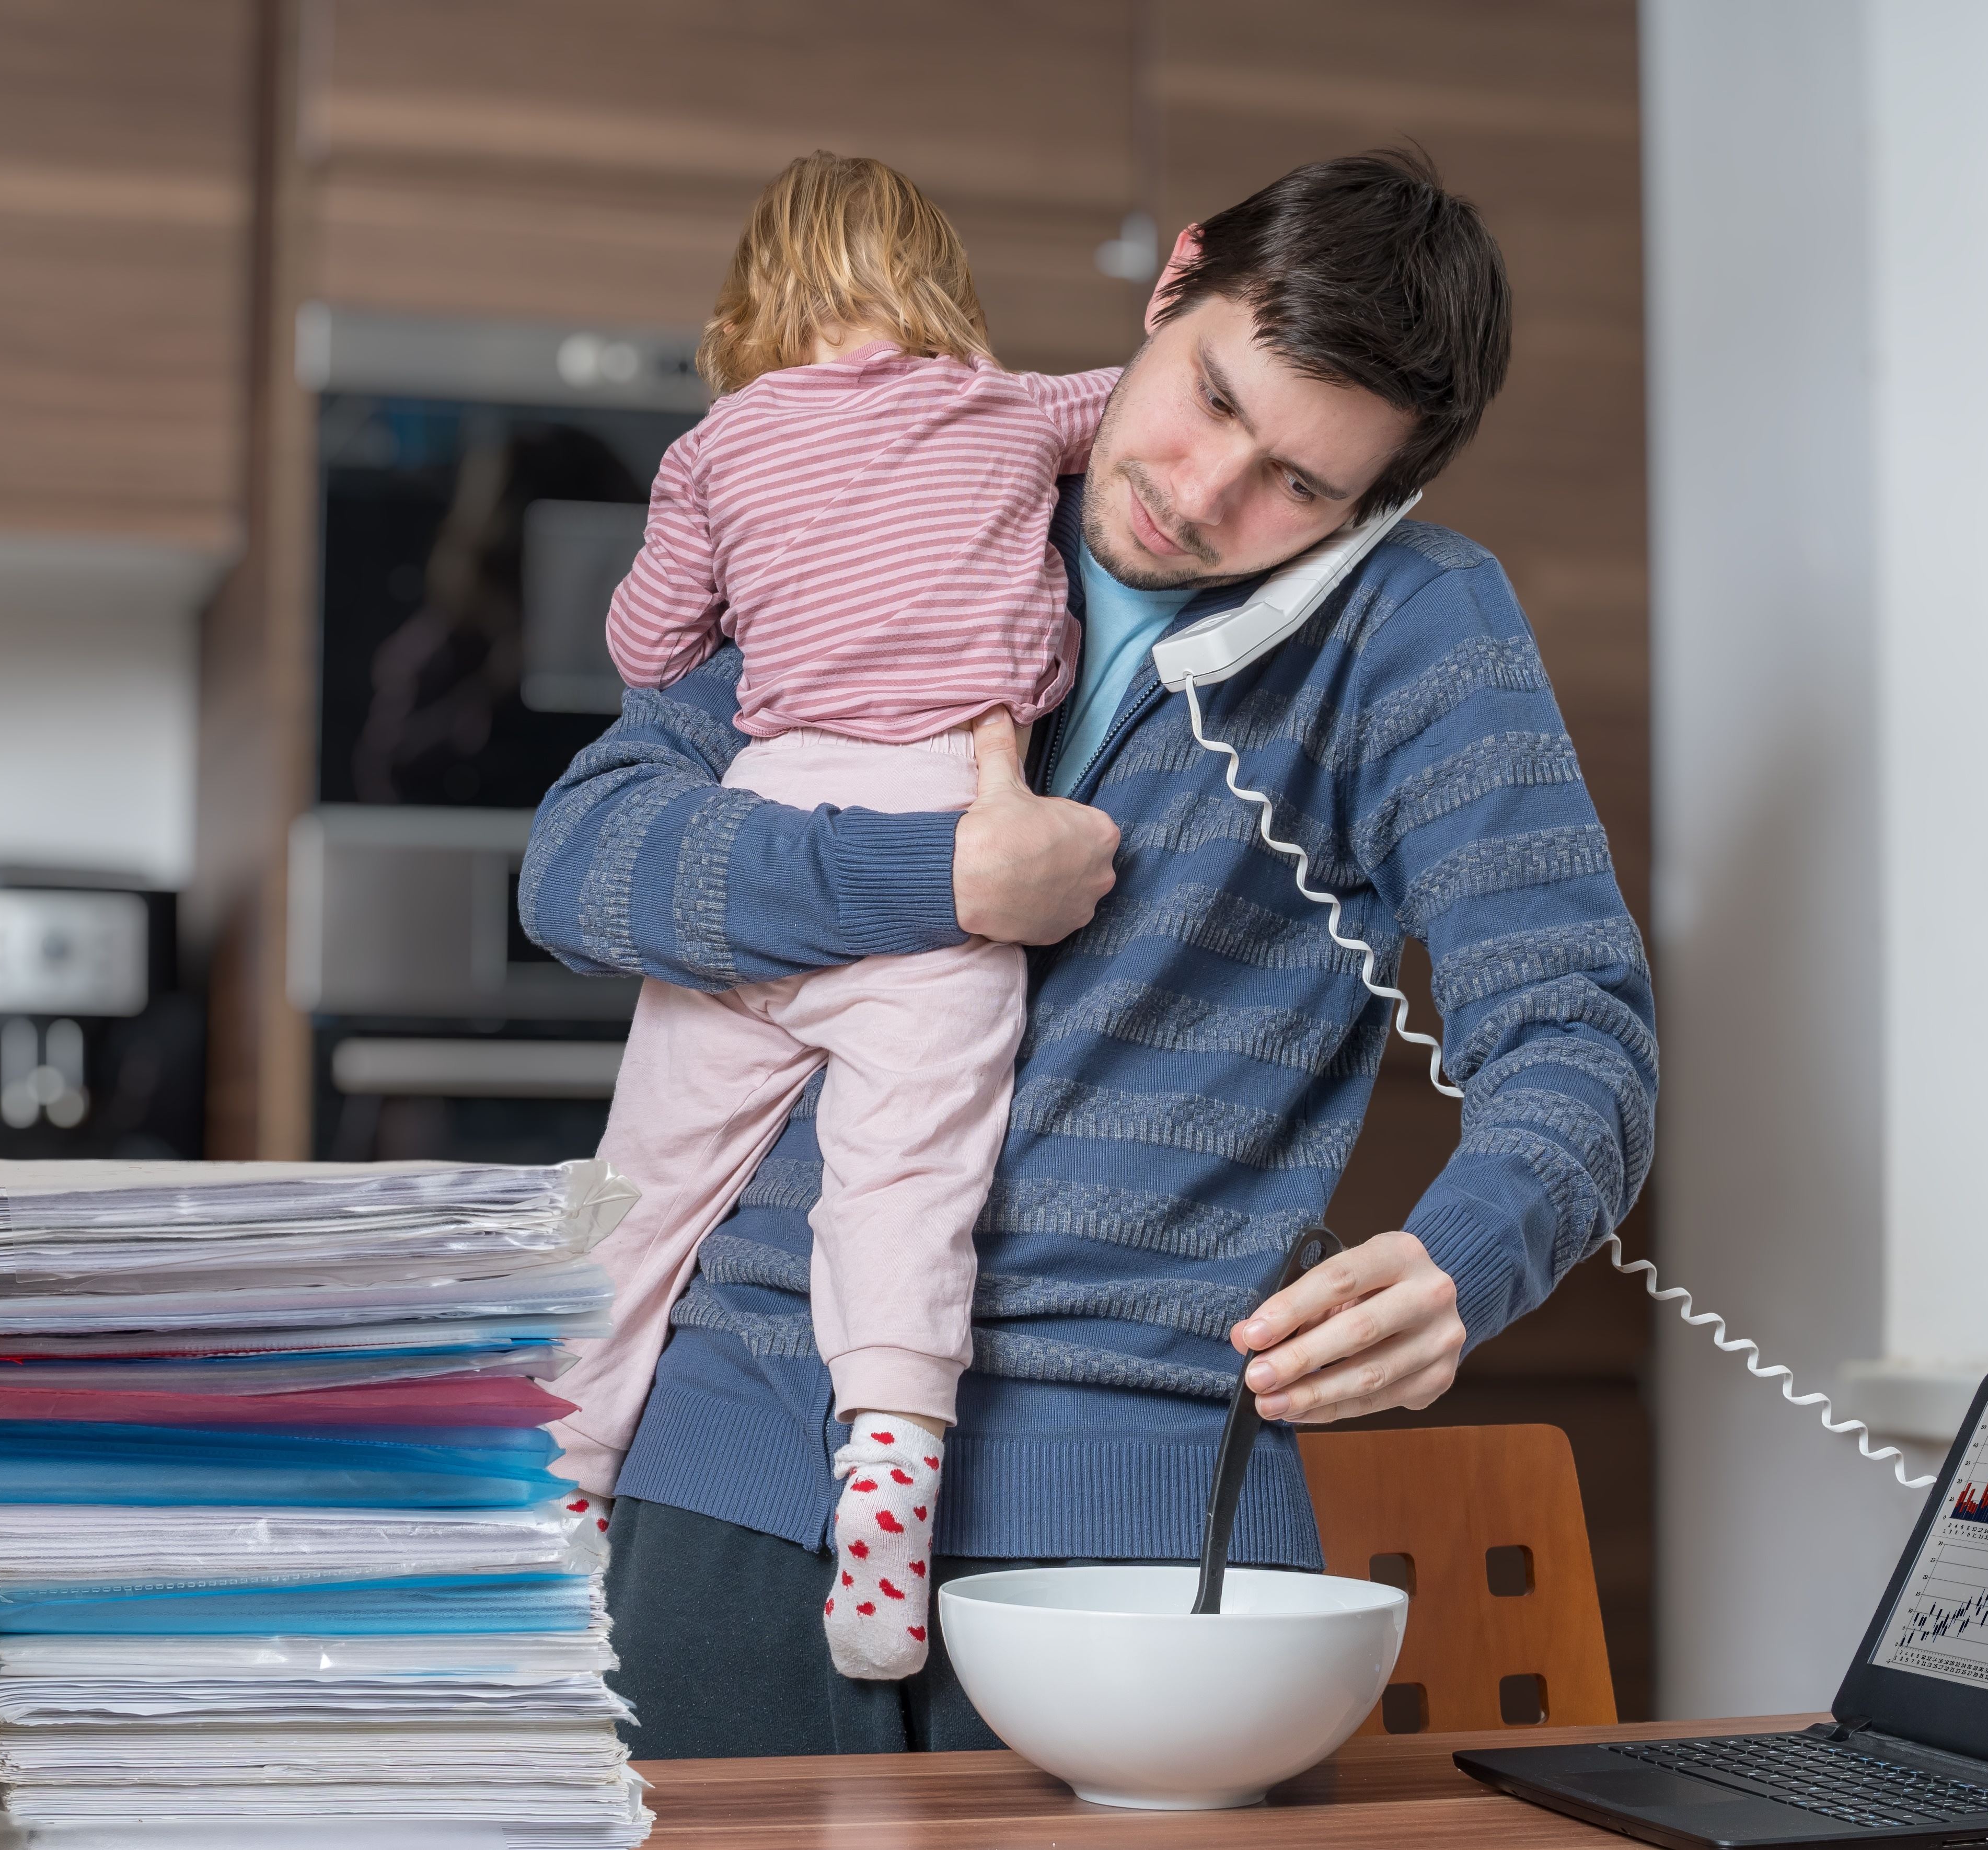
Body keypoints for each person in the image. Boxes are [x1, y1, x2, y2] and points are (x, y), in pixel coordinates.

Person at [518, 147, 1657, 1755]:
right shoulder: (905, 475)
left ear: (1377, 508)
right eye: (1208, 396)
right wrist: (944, 874)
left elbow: (1577, 1031)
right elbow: (582, 863)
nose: (1203, 494)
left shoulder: (1420, 630)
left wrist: (1469, 1252)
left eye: (1301, 487)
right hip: (729, 1476)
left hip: (1134, 1525)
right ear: (1174, 278)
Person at [546, 150, 1120, 1680]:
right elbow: (1144, 406)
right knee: (904, 1182)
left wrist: (760, 559)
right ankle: (888, 1479)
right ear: (939, 294)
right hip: (953, 816)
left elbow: (648, 644)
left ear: (753, 306)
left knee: (643, 1185)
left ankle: (557, 1485)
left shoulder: (716, 442)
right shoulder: (1013, 409)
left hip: (769, 811)